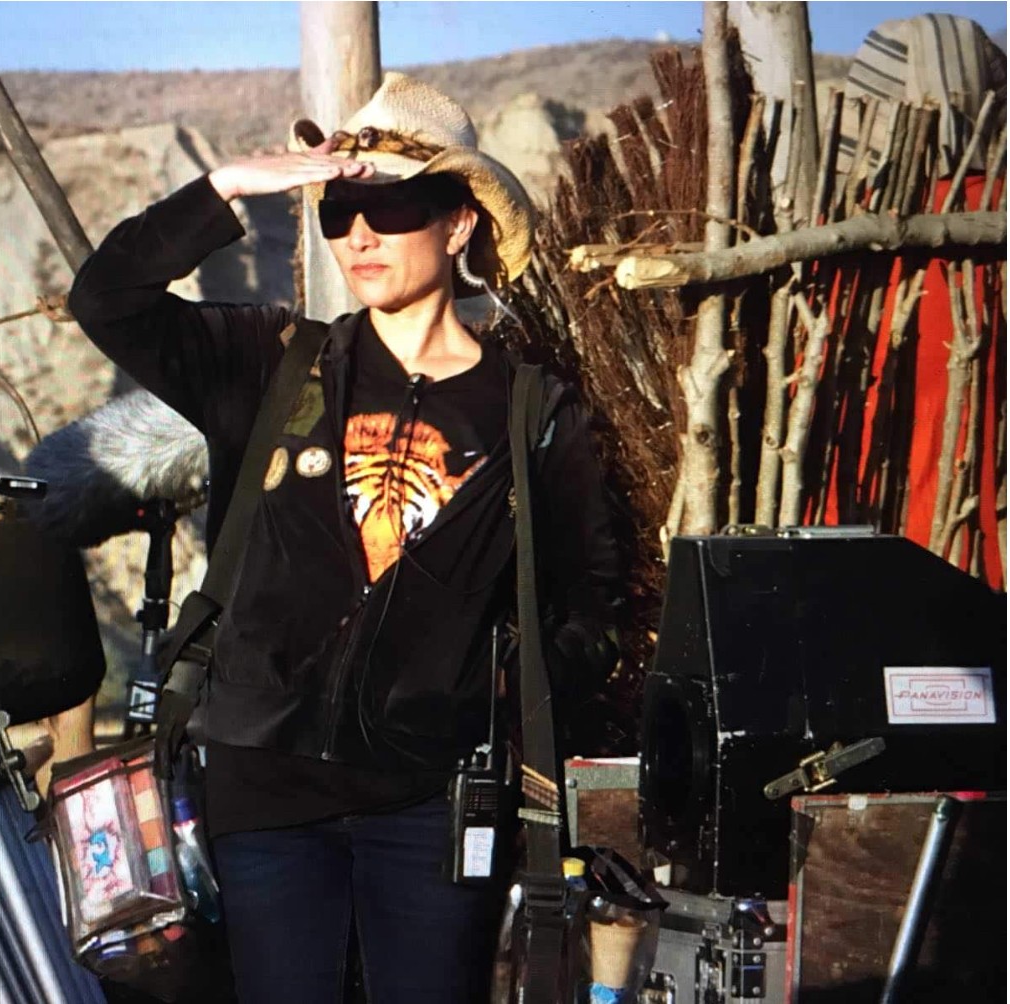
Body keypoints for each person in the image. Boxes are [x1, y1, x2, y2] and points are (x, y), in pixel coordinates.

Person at [67, 72, 620, 1003]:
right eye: (339, 211)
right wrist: (230, 186)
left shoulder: (532, 409)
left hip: (430, 805)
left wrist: (476, 696)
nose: (358, 234)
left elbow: (590, 597)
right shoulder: (277, 365)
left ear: (460, 222)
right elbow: (107, 301)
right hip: (266, 793)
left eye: (392, 205)